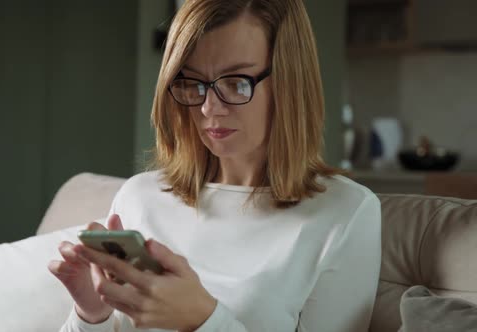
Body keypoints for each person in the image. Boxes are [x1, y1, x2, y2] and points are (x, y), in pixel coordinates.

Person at [49, 0, 382, 331]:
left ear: (289, 81)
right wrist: (91, 314)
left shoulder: (347, 212)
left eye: (235, 83)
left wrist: (203, 321)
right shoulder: (140, 196)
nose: (210, 109)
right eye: (193, 83)